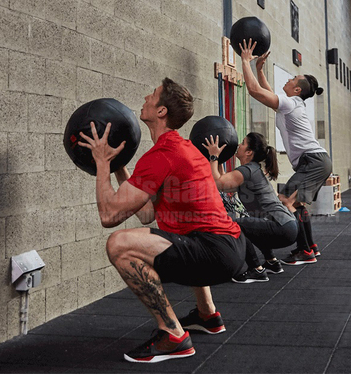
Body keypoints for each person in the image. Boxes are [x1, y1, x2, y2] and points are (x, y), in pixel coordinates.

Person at [78, 78, 245, 363]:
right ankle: (208, 315)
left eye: (152, 95)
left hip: (216, 250)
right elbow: (145, 213)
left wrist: (102, 163)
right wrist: (119, 168)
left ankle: (173, 335)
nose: (145, 97)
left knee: (119, 244)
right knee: (183, 235)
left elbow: (109, 215)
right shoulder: (179, 150)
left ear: (161, 112)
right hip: (228, 246)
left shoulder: (163, 155)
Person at [240, 39, 332, 265]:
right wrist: (259, 69)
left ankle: (304, 251)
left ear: (297, 89)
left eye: (292, 79)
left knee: (285, 201)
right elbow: (266, 92)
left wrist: (244, 61)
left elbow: (254, 91)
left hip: (314, 161)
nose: (289, 80)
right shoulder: (290, 104)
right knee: (297, 203)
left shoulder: (291, 104)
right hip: (316, 161)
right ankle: (310, 247)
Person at [203, 132, 298, 283]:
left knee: (235, 225)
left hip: (282, 227)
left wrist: (213, 157)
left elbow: (217, 183)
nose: (238, 145)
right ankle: (272, 262)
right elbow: (225, 186)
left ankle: (256, 269)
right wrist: (219, 160)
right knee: (255, 223)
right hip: (288, 226)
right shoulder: (250, 169)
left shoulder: (247, 170)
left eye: (242, 143)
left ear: (249, 152)